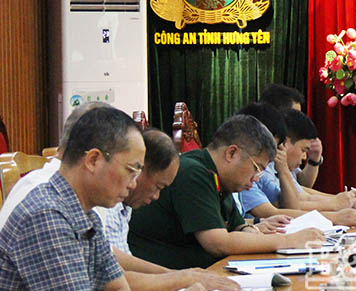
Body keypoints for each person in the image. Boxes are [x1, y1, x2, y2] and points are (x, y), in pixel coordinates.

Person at [0, 107, 213, 291]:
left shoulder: (86, 214)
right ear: (93, 160)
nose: (133, 183)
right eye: (131, 170)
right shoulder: (46, 212)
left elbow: (118, 289)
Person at [128, 114, 325, 269]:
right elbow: (218, 243)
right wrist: (288, 241)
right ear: (232, 153)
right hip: (165, 281)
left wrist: (249, 230)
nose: (256, 179)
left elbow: (239, 226)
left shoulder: (221, 180)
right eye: (257, 168)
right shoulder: (194, 172)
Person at [93, 129, 240, 291]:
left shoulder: (123, 206)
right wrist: (180, 280)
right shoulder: (99, 206)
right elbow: (111, 284)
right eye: (158, 187)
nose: (156, 196)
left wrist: (177, 277)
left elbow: (114, 262)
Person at [239, 108, 356, 226]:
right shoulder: (250, 171)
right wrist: (334, 214)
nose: (274, 153)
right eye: (304, 150)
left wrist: (341, 201)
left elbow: (299, 200)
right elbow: (273, 212)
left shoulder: (269, 167)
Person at [0, 102, 109, 229]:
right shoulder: (48, 205)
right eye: (126, 167)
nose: (128, 183)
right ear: (93, 159)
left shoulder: (70, 186)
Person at [259, 84, 323, 189]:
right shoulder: (263, 155)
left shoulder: (286, 151)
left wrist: (314, 161)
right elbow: (296, 195)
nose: (299, 121)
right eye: (294, 114)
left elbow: (300, 185)